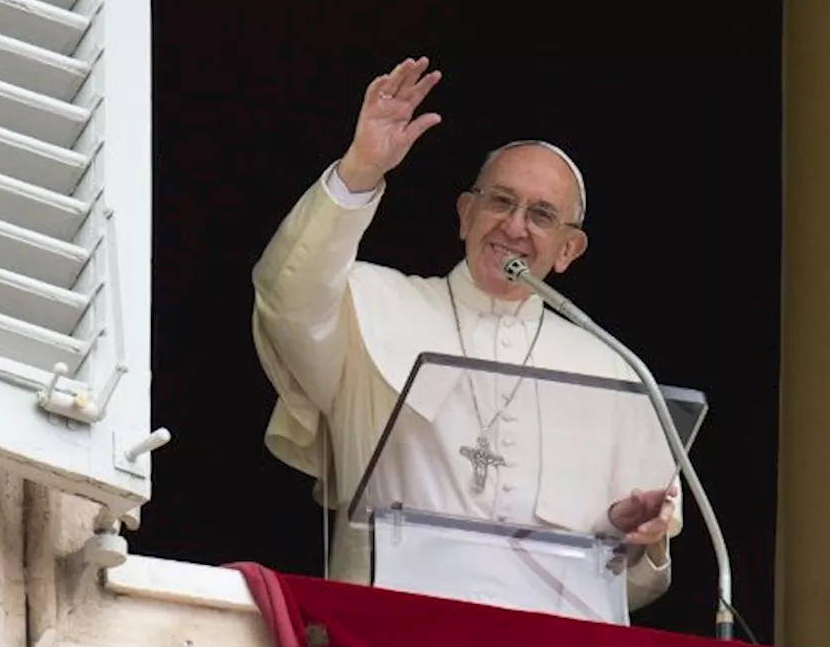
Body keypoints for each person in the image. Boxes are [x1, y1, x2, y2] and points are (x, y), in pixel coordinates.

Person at [251, 56, 683, 617]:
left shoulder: (615, 372)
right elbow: (288, 293)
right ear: (464, 214)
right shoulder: (369, 306)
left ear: (569, 250)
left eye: (542, 215)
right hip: (391, 641)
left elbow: (634, 590)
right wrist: (360, 169)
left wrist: (635, 538)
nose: (514, 226)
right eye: (500, 201)